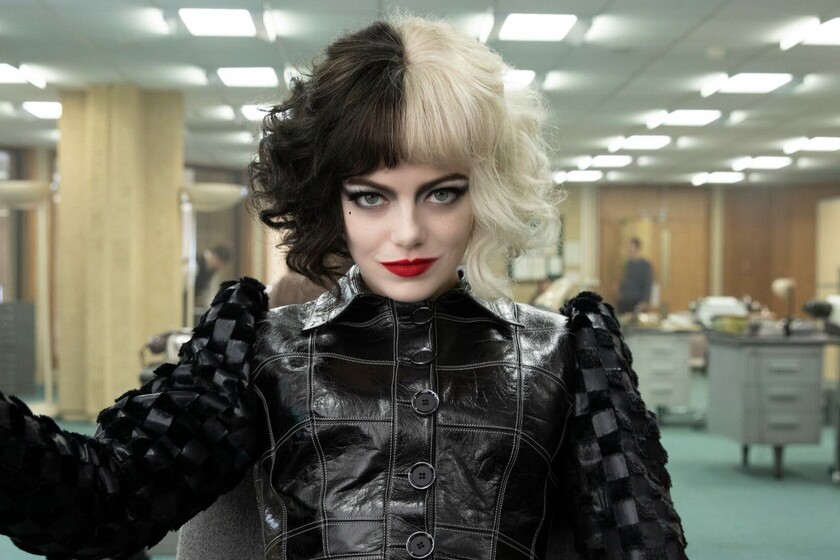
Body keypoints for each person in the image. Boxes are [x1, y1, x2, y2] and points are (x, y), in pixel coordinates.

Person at [0, 15, 687, 560]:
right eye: (371, 196)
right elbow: (104, 503)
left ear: (487, 192)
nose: (408, 233)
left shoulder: (566, 353)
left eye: (442, 193)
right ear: (333, 199)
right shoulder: (259, 348)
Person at [617, 237, 654, 314]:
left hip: (637, 301)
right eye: (628, 247)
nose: (629, 249)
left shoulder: (645, 265)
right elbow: (627, 281)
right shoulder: (627, 263)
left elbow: (648, 284)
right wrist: (620, 287)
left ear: (637, 248)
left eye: (631, 247)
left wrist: (644, 301)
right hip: (625, 300)